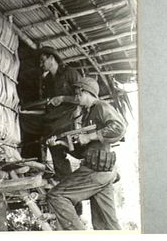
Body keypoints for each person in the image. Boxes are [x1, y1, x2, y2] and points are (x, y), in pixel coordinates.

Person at [47, 77, 126, 230]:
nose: (76, 97)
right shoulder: (87, 115)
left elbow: (119, 127)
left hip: (95, 171)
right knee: (106, 225)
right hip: (103, 172)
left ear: (87, 92)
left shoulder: (101, 106)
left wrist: (89, 136)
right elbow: (83, 153)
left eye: (78, 94)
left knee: (56, 196)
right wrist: (62, 144)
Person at [38, 46, 83, 180]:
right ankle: (65, 183)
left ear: (52, 58)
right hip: (54, 121)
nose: (41, 65)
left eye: (42, 60)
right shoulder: (47, 80)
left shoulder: (71, 73)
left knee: (80, 152)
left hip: (71, 117)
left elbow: (81, 98)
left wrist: (63, 98)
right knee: (54, 148)